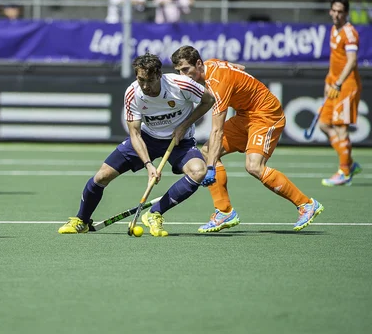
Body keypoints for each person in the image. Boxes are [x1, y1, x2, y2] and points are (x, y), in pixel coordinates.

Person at [58, 53, 215, 237]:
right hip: (147, 139)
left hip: (180, 141)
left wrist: (184, 125)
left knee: (198, 171)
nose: (146, 86)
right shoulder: (133, 93)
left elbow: (209, 100)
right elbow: (135, 133)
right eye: (141, 80)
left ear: (159, 75)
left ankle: (155, 213)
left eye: (150, 80)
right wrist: (149, 166)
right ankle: (81, 220)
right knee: (102, 176)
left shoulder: (180, 85)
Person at [171, 46, 324, 233]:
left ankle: (306, 204)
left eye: (186, 70)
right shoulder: (211, 65)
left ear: (199, 64)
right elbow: (240, 67)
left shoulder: (217, 83)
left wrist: (210, 168)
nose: (182, 75)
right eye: (178, 71)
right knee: (207, 151)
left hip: (266, 115)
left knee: (253, 166)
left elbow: (217, 130)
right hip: (246, 116)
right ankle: (224, 211)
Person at [319, 0, 363, 186]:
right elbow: (334, 61)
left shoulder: (349, 33)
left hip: (347, 86)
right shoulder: (332, 30)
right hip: (334, 84)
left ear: (346, 13)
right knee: (323, 124)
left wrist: (337, 83)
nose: (336, 14)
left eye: (340, 12)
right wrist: (328, 81)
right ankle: (350, 164)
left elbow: (351, 61)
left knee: (340, 127)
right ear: (330, 11)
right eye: (334, 11)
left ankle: (344, 171)